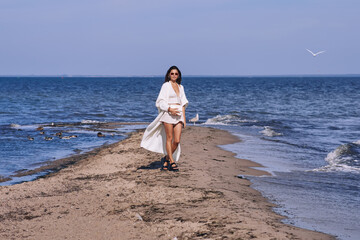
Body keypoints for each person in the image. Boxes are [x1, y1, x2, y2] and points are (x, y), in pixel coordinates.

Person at [140, 66, 189, 171]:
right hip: (168, 114)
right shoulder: (166, 86)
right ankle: (172, 161)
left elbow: (183, 103)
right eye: (172, 73)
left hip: (179, 114)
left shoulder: (181, 87)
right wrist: (169, 109)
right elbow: (160, 101)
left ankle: (166, 159)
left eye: (176, 74)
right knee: (169, 138)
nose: (174, 75)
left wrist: (184, 119)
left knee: (177, 141)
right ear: (168, 75)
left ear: (179, 75)